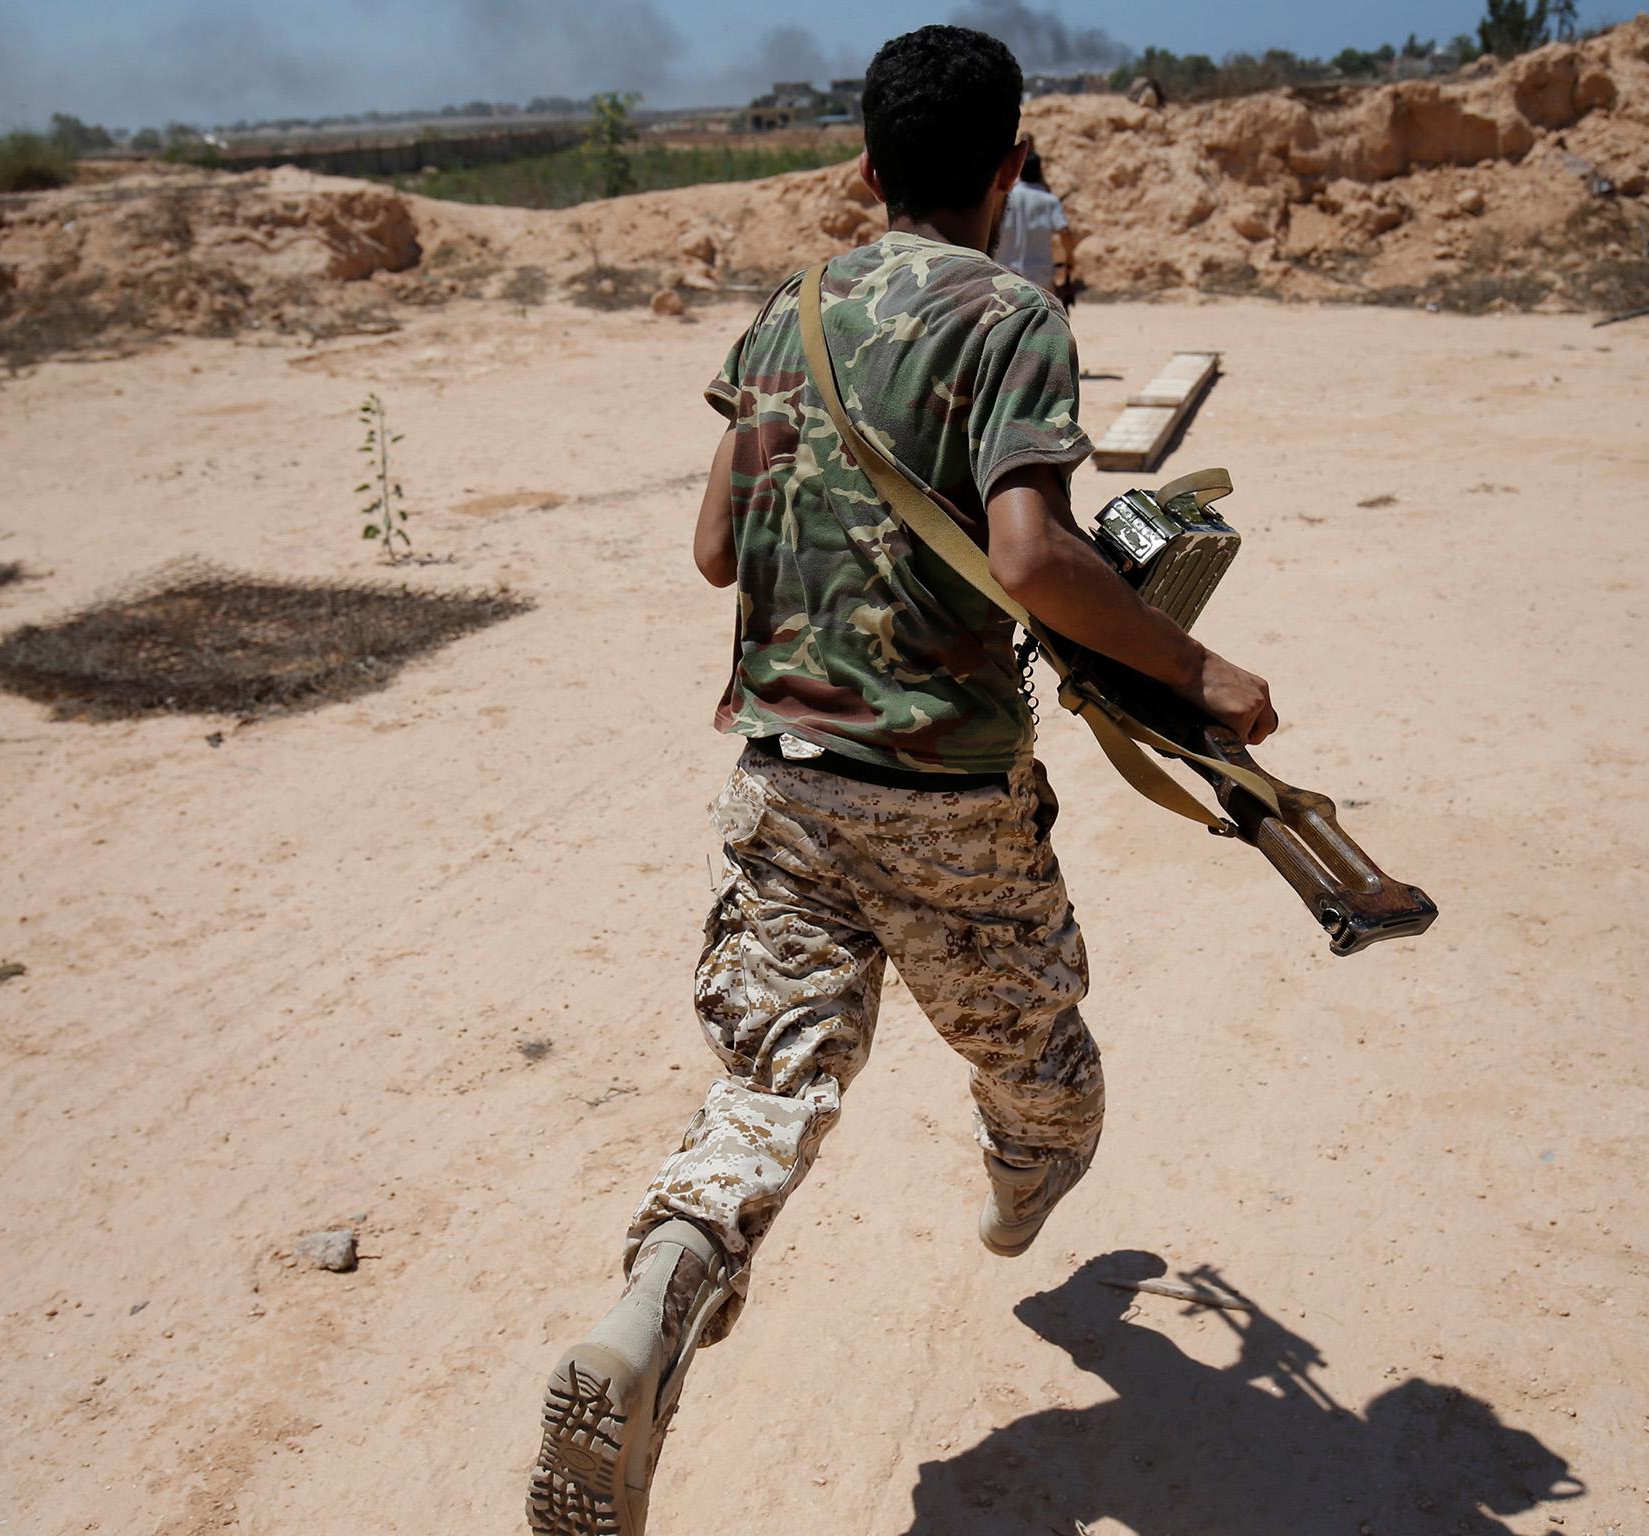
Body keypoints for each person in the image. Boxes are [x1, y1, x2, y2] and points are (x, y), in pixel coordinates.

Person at [525, 24, 1277, 1536]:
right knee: (1047, 1078)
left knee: (770, 1082)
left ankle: (658, 1296)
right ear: (1010, 166)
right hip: (950, 803)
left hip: (786, 784)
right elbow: (1031, 557)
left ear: (864, 169)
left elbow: (713, 552)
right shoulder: (1017, 316)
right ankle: (1020, 1199)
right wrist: (1200, 673)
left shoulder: (782, 312)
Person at [996, 144, 1078, 298]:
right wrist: (1069, 260)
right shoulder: (1049, 201)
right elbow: (1064, 231)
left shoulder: (1004, 198)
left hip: (1005, 275)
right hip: (1039, 278)